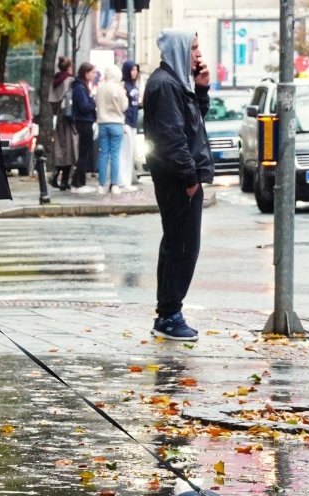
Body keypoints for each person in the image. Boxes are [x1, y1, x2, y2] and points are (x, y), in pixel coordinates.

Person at [143, 30, 213, 341]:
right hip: (178, 181)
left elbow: (193, 123)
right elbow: (171, 138)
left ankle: (169, 313)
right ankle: (169, 315)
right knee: (183, 247)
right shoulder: (165, 85)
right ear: (180, 50)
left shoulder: (175, 83)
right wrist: (189, 180)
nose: (198, 54)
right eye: (193, 48)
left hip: (181, 179)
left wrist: (201, 91)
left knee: (177, 244)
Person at [95, 64, 128, 194]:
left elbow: (96, 104)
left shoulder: (100, 88)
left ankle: (101, 185)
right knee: (115, 155)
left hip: (102, 123)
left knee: (103, 154)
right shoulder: (118, 88)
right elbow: (124, 106)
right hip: (116, 123)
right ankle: (114, 184)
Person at [48, 57, 76, 191]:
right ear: (69, 67)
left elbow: (52, 102)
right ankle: (63, 180)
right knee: (69, 150)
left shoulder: (55, 81)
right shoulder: (70, 81)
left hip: (59, 117)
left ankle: (56, 176)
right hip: (69, 119)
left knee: (61, 149)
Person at [69, 62, 98, 192]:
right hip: (83, 122)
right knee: (83, 153)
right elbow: (84, 106)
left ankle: (80, 181)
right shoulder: (80, 88)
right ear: (86, 73)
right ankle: (77, 183)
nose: (94, 75)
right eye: (92, 72)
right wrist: (93, 103)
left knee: (84, 153)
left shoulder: (82, 87)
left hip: (85, 121)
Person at [119, 60, 141, 190]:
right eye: (132, 70)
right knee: (124, 153)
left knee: (130, 153)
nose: (135, 72)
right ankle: (123, 181)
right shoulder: (124, 86)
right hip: (126, 123)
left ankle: (127, 180)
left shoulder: (134, 86)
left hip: (133, 123)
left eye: (136, 70)